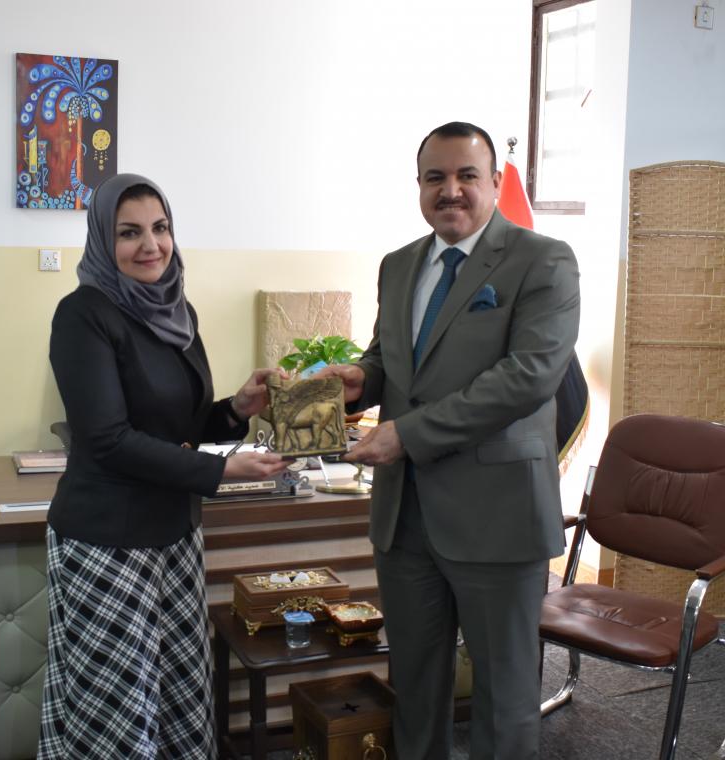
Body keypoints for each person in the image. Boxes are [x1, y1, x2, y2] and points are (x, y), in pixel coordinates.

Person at [321, 122, 580, 759]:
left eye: (467, 175)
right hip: (405, 517)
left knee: (503, 697)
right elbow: (390, 359)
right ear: (418, 185)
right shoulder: (399, 265)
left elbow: (527, 378)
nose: (451, 190)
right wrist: (360, 379)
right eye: (435, 177)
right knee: (414, 686)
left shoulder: (544, 261)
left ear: (495, 181)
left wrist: (407, 435)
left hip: (499, 515)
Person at [38, 173, 286, 760]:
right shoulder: (82, 315)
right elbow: (108, 441)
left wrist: (236, 408)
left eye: (160, 228)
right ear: (104, 241)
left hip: (174, 535)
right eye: (129, 233)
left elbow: (182, 425)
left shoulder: (178, 309)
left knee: (176, 702)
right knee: (118, 714)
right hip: (108, 542)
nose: (150, 245)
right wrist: (220, 473)